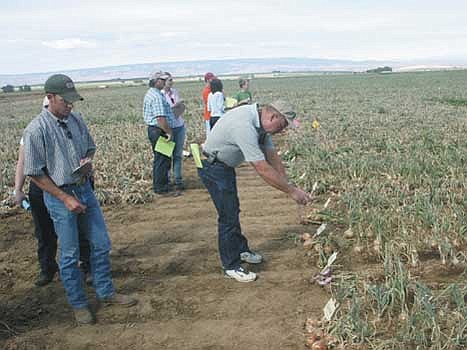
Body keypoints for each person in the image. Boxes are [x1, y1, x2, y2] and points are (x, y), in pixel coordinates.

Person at [22, 74, 136, 325]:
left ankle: (106, 292)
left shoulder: (76, 119)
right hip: (59, 197)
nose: (70, 105)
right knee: (70, 254)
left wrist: (87, 161)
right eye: (66, 101)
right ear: (50, 98)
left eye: (73, 101)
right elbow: (33, 173)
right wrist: (64, 198)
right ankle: (79, 304)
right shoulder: (36, 130)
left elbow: (89, 147)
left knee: (101, 243)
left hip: (84, 188)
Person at [198, 100, 312, 282]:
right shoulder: (244, 126)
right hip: (213, 168)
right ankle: (231, 265)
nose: (282, 130)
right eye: (282, 125)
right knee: (228, 216)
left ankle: (241, 249)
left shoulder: (261, 126)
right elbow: (262, 168)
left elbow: (272, 157)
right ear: (273, 116)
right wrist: (291, 192)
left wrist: (290, 185)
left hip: (224, 167)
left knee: (233, 210)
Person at [14, 96, 92, 287]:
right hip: (42, 187)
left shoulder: (73, 123)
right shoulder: (35, 131)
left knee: (81, 228)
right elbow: (24, 163)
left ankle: (87, 266)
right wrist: (17, 189)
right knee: (44, 231)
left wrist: (87, 165)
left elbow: (87, 149)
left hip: (72, 184)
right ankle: (48, 268)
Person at [143, 71, 180, 196]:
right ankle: (162, 189)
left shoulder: (152, 94)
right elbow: (160, 118)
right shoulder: (157, 97)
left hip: (154, 130)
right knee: (162, 159)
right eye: (162, 80)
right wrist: (168, 132)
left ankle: (161, 186)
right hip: (159, 130)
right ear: (156, 81)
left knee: (160, 159)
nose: (165, 82)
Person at [162, 72, 186, 191]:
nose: (171, 82)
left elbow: (179, 107)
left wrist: (180, 105)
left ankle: (178, 180)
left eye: (171, 79)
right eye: (168, 80)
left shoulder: (175, 92)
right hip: (168, 128)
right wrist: (175, 105)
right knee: (166, 155)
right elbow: (164, 112)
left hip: (179, 125)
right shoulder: (160, 95)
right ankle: (166, 180)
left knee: (177, 155)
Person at [202, 72, 216, 138]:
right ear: (207, 80)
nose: (213, 80)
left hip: (213, 115)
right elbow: (210, 104)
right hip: (209, 115)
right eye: (211, 79)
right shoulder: (206, 91)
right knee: (210, 134)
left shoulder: (212, 89)